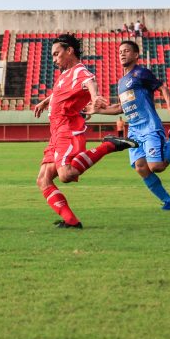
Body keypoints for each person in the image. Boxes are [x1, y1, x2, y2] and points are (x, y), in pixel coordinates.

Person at [33, 34, 137, 229]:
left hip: (67, 129)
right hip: (55, 133)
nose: (54, 60)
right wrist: (44, 102)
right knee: (43, 180)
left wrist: (95, 96)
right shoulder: (65, 75)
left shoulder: (78, 70)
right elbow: (59, 94)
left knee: (65, 175)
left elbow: (90, 82)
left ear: (69, 50)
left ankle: (109, 146)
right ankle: (71, 222)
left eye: (57, 54)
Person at [88, 40, 170, 211]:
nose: (122, 54)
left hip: (149, 126)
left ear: (135, 55)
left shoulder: (141, 73)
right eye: (120, 51)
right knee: (141, 168)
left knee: (157, 167)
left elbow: (162, 88)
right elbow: (120, 107)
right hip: (134, 130)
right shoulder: (121, 82)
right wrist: (97, 111)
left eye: (126, 51)